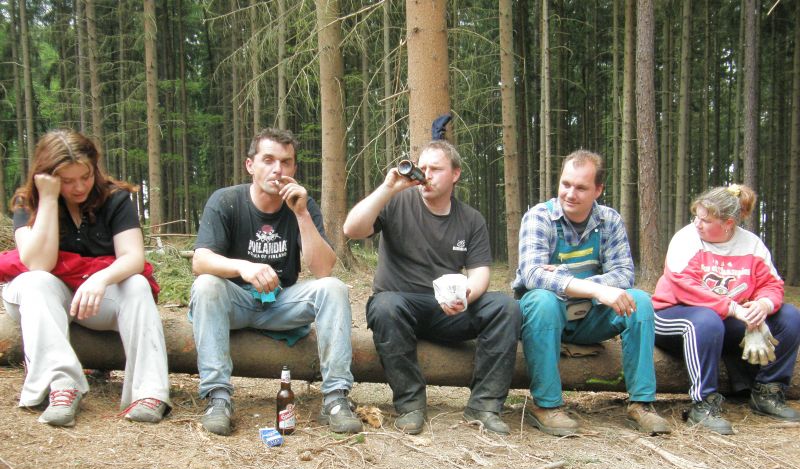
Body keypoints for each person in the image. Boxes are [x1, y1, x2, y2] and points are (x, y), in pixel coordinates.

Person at [343, 140, 521, 436]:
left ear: (455, 174)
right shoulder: (396, 202)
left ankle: (484, 405)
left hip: (448, 310)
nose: (426, 174)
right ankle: (411, 405)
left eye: (435, 169)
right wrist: (388, 188)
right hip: (398, 307)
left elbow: (479, 273)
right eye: (422, 167)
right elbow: (352, 229)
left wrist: (465, 296)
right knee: (385, 306)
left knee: (506, 307)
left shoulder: (470, 219)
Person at [190, 127, 360, 436]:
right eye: (268, 160)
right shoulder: (226, 201)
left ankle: (336, 398)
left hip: (281, 303)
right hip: (236, 301)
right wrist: (244, 267)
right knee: (206, 285)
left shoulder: (302, 205)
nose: (277, 169)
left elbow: (323, 269)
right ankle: (218, 397)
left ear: (294, 168)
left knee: (333, 289)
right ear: (250, 165)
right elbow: (200, 261)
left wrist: (302, 214)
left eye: (286, 162)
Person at [1, 129, 171, 427]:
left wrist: (99, 279)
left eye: (86, 176)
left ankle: (149, 393)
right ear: (47, 176)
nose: (79, 187)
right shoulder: (27, 202)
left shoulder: (115, 199)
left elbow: (133, 257)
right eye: (67, 181)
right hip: (42, 299)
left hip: (97, 299)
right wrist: (49, 199)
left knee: (136, 283)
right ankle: (61, 387)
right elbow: (39, 264)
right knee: (35, 282)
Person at [512, 149, 670, 436]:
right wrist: (596, 289)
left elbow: (624, 274)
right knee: (543, 300)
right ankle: (546, 405)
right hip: (545, 319)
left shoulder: (609, 220)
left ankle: (641, 404)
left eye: (581, 187)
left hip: (589, 319)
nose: (570, 194)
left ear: (598, 190)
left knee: (640, 301)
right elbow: (533, 275)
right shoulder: (539, 217)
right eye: (565, 184)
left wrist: (564, 278)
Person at [652, 184, 800, 434]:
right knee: (706, 320)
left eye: (705, 220)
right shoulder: (686, 239)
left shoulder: (751, 245)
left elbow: (771, 284)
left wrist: (762, 305)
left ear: (728, 223)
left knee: (789, 317)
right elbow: (683, 286)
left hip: (724, 321)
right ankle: (703, 403)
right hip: (672, 316)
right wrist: (733, 308)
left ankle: (767, 392)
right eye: (696, 216)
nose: (697, 224)